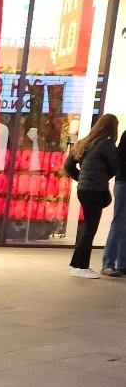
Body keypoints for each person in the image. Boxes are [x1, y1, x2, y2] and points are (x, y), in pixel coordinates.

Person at [65, 113, 119, 279]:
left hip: (84, 189)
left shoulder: (85, 142)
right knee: (90, 228)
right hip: (95, 190)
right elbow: (117, 166)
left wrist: (81, 178)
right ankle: (80, 266)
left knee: (87, 227)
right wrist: (103, 177)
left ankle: (79, 265)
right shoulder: (106, 145)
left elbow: (68, 165)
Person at [100, 129, 126, 277]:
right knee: (119, 223)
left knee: (122, 223)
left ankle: (122, 263)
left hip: (122, 182)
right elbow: (120, 161)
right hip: (124, 182)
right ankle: (108, 263)